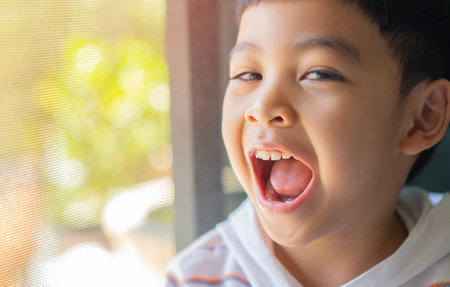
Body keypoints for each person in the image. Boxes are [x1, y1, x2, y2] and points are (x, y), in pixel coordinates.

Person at [166, 0, 450, 286]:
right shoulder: (193, 277)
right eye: (248, 74)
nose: (263, 108)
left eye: (318, 74)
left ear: (423, 117)